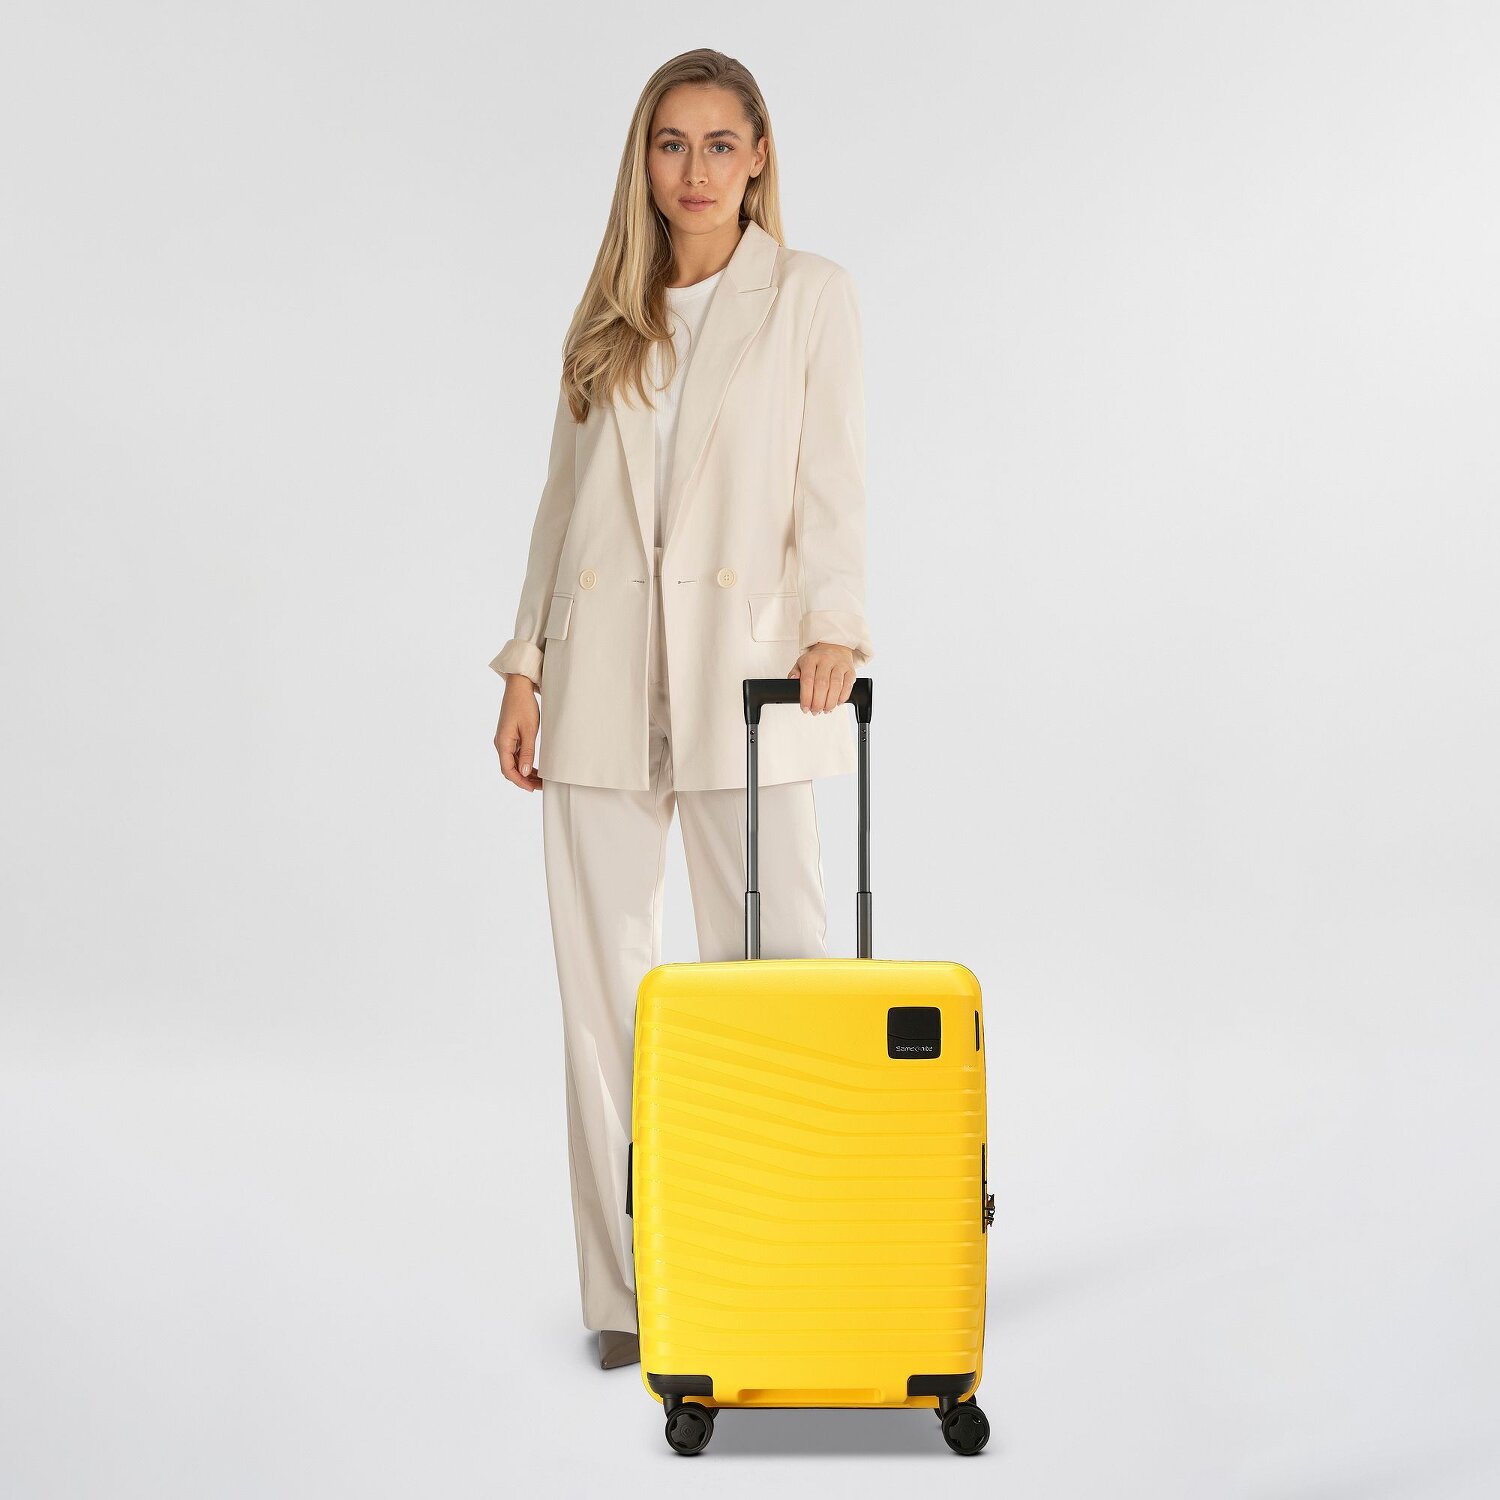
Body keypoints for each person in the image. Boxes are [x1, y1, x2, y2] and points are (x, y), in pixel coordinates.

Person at [489, 47, 873, 1371]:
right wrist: (526, 662)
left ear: (758, 157)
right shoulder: (608, 313)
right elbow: (560, 507)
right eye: (671, 143)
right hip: (600, 677)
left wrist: (835, 625)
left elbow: (834, 483)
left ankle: (790, 1267)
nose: (695, 170)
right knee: (605, 999)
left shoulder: (809, 297)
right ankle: (629, 1294)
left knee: (780, 977)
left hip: (748, 674)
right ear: (643, 162)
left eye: (719, 143)